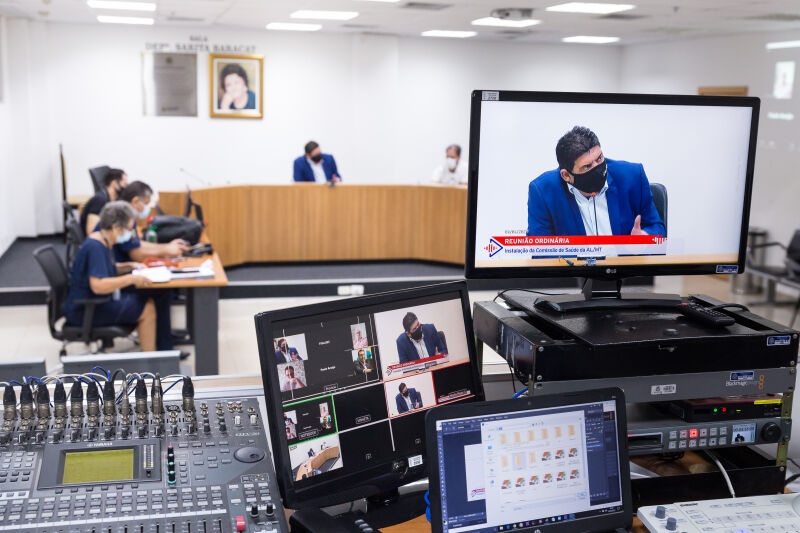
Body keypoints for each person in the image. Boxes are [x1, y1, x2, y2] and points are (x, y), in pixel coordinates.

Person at [527, 126, 665, 237]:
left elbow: (657, 228)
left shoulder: (632, 176)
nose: (597, 168)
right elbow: (541, 250)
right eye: (587, 166)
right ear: (566, 175)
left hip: (624, 263)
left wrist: (645, 238)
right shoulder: (543, 192)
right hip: (574, 264)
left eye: (599, 159)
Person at [64, 201, 157, 351]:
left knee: (145, 300)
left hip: (93, 303)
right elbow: (98, 285)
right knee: (147, 308)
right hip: (86, 310)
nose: (131, 234)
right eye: (129, 229)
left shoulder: (102, 240)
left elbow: (106, 267)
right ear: (116, 228)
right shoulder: (95, 247)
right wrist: (131, 279)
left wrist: (130, 266)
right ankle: (151, 360)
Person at [111, 181, 190, 353]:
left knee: (162, 290)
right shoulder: (121, 218)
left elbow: (137, 245)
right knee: (161, 291)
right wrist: (166, 250)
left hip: (122, 272)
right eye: (146, 204)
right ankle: (165, 349)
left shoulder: (121, 214)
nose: (147, 208)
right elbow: (136, 253)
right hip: (118, 280)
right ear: (135, 201)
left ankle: (165, 343)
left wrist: (167, 248)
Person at [80, 168, 129, 236]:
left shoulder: (114, 200)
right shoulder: (100, 200)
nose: (126, 187)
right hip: (98, 240)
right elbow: (91, 232)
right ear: (114, 183)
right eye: (125, 184)